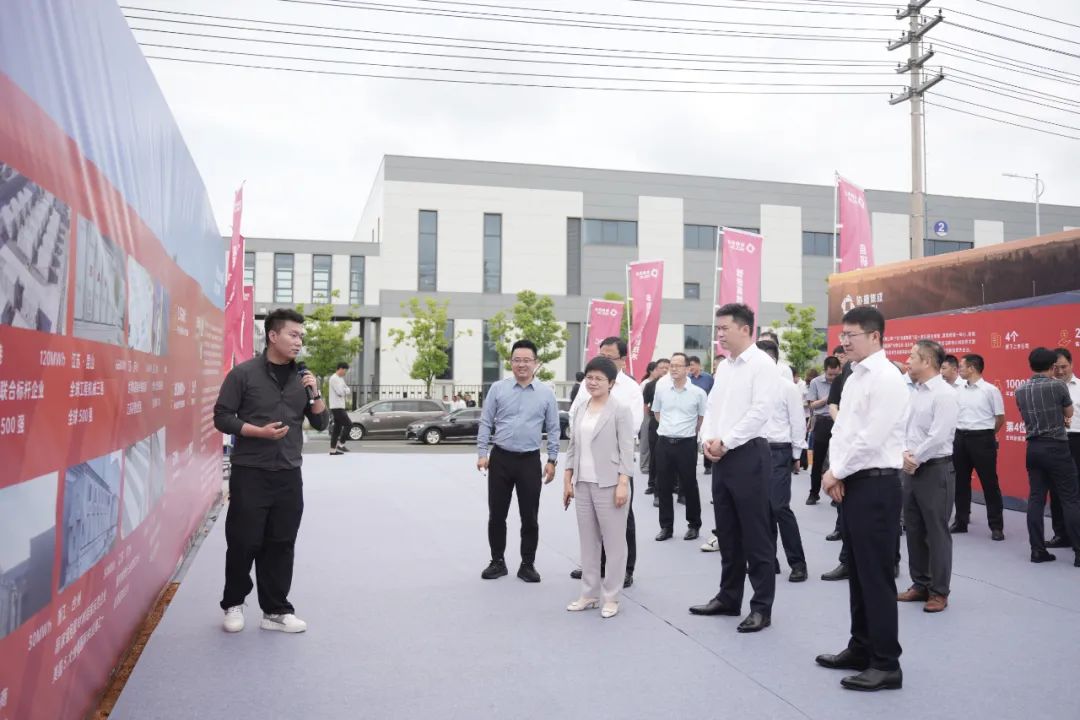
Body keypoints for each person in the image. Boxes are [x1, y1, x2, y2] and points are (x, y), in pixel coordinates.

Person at [213, 308, 328, 634]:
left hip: (288, 472)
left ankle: (275, 610)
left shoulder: (303, 379)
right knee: (243, 541)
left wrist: (316, 394)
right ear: (273, 336)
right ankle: (233, 604)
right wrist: (256, 432)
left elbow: (321, 421)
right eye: (293, 334)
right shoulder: (243, 374)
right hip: (251, 471)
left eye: (301, 336)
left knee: (281, 542)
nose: (299, 341)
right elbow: (222, 417)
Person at [815, 305, 909, 692]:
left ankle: (886, 663)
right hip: (853, 481)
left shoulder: (887, 378)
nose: (844, 342)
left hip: (877, 485)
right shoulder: (854, 376)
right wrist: (836, 471)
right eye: (843, 335)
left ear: (875, 336)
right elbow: (844, 432)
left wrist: (837, 472)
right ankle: (861, 647)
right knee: (857, 572)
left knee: (876, 576)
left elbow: (872, 437)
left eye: (851, 335)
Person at [689, 303, 777, 634]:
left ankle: (761, 607)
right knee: (727, 531)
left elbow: (760, 411)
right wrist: (707, 440)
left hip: (749, 454)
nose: (720, 334)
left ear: (745, 329)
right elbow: (712, 408)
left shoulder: (762, 365)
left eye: (725, 328)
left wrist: (726, 441)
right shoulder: (725, 367)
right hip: (721, 456)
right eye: (718, 329)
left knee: (756, 534)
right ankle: (728, 597)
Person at [477, 340, 560, 583]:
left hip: (529, 461)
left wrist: (552, 459)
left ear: (536, 363)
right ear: (510, 362)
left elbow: (553, 429)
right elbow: (486, 422)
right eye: (517, 360)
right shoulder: (498, 389)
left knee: (530, 516)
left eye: (526, 360)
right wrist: (482, 453)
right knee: (496, 515)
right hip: (500, 459)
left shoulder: (546, 393)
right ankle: (497, 561)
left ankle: (527, 564)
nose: (521, 364)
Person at [563, 356, 636, 619]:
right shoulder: (581, 407)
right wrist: (567, 480)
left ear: (611, 383)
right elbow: (573, 446)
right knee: (588, 542)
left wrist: (623, 483)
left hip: (610, 484)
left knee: (614, 545)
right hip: (583, 483)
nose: (592, 382)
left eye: (598, 378)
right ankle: (589, 594)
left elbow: (627, 450)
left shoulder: (620, 410)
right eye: (589, 377)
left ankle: (612, 597)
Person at [568, 337, 644, 587]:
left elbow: (633, 427)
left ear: (623, 360)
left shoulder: (630, 388)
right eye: (601, 356)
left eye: (610, 357)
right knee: (591, 519)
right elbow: (575, 414)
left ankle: (625, 569)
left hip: (615, 464)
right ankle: (595, 565)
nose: (604, 361)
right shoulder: (588, 384)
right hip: (587, 462)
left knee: (622, 517)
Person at [898, 340, 959, 614]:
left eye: (912, 356)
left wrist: (915, 458)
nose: (908, 361)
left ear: (927, 361)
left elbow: (940, 435)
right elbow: (905, 428)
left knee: (936, 532)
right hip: (912, 468)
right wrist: (904, 454)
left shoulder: (944, 394)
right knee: (913, 528)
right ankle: (920, 584)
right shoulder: (915, 392)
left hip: (935, 469)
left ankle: (939, 591)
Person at [1015, 347, 1080, 566]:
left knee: (1036, 499)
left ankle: (1037, 550)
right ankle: (1079, 553)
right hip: (1057, 447)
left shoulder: (1020, 390)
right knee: (1070, 499)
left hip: (1033, 448)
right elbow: (1069, 413)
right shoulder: (1058, 385)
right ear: (1052, 366)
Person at [757, 340, 808, 583]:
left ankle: (798, 563)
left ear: (773, 359)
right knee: (762, 509)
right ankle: (769, 561)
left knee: (779, 506)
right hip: (755, 450)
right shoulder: (751, 386)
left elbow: (797, 421)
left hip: (779, 450)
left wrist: (797, 454)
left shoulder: (787, 387)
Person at [651, 353, 708, 542]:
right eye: (671, 365)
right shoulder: (662, 391)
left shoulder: (698, 393)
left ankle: (694, 525)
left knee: (689, 484)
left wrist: (687, 431)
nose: (673, 368)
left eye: (678, 365)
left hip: (686, 443)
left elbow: (701, 418)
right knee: (664, 485)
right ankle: (666, 527)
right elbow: (657, 413)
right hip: (664, 442)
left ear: (688, 368)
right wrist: (669, 429)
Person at [951, 353, 1006, 539]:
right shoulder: (958, 389)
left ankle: (996, 526)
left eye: (961, 366)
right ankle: (961, 521)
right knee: (960, 482)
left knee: (989, 483)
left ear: (972, 368)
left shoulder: (990, 390)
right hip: (960, 438)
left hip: (982, 439)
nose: (959, 369)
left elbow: (1000, 418)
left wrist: (987, 434)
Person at [1048, 348, 1079, 548]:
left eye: (1064, 366)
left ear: (1072, 364)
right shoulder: (1047, 388)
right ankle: (1061, 534)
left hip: (1077, 440)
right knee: (1056, 490)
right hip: (1054, 441)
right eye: (1056, 367)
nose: (1060, 371)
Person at [806, 357, 842, 505]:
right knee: (818, 461)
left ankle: (836, 495)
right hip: (822, 422)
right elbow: (812, 405)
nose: (833, 378)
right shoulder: (815, 382)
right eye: (830, 375)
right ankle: (814, 493)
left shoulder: (844, 381)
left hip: (838, 422)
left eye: (835, 374)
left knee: (837, 461)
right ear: (824, 370)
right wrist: (828, 398)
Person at [640, 358, 670, 490]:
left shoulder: (675, 385)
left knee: (671, 454)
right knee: (654, 453)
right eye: (661, 367)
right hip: (655, 421)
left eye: (667, 367)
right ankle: (652, 483)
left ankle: (673, 484)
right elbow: (645, 405)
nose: (664, 370)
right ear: (656, 370)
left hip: (672, 424)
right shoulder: (650, 385)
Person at [328, 362, 352, 456]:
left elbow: (347, 389)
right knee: (349, 424)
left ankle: (332, 450)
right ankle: (341, 444)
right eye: (345, 371)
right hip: (336, 407)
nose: (345, 373)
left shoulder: (340, 379)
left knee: (337, 429)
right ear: (341, 369)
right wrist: (345, 390)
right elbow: (340, 392)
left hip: (340, 406)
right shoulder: (334, 378)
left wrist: (345, 390)